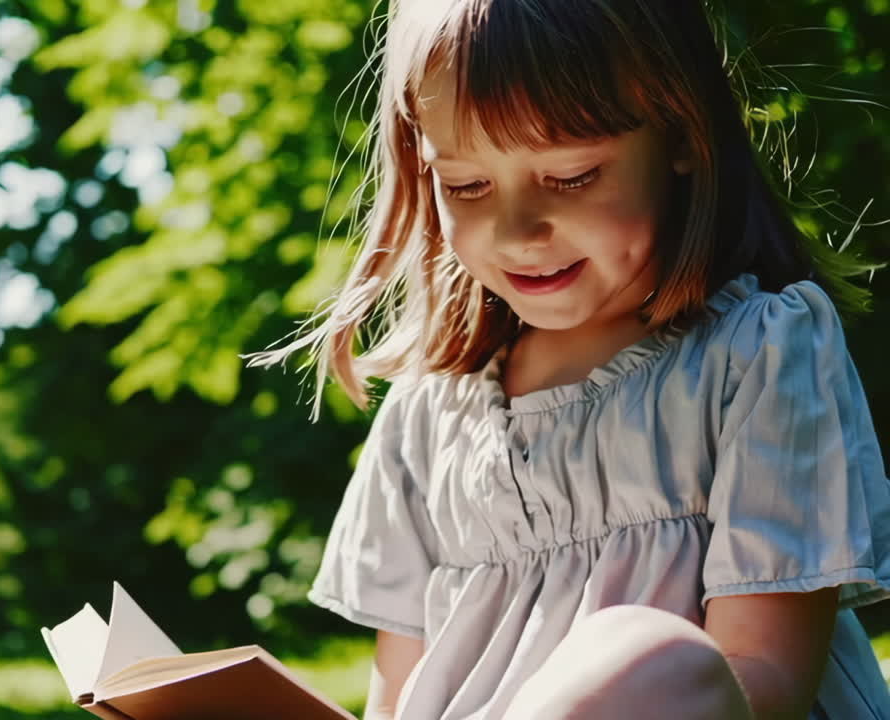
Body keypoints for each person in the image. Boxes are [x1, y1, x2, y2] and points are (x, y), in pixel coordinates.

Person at [245, 0, 890, 718]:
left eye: (572, 175)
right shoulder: (426, 416)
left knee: (651, 654)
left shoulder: (757, 353)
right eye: (466, 185)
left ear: (681, 134)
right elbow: (401, 700)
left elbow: (763, 679)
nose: (517, 231)